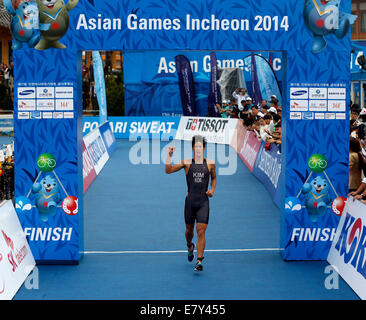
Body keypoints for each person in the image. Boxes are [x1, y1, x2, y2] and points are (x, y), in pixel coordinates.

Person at [165, 135, 216, 272]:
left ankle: (199, 260)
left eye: (201, 146)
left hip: (203, 203)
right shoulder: (186, 163)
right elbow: (168, 170)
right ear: (193, 148)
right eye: (196, 146)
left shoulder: (210, 163)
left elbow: (214, 177)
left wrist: (212, 189)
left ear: (204, 148)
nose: (198, 148)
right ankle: (189, 246)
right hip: (190, 203)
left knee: (201, 231)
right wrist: (169, 155)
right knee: (189, 231)